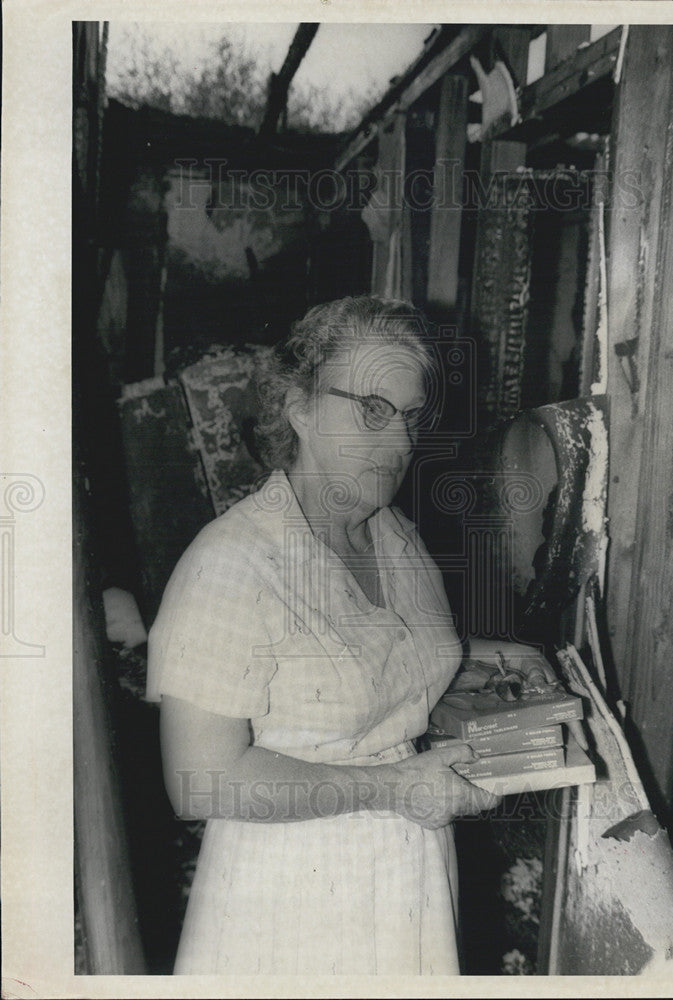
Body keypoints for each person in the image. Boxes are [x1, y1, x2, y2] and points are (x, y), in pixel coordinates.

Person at [146, 295, 557, 975]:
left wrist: (487, 657)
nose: (399, 443)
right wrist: (394, 787)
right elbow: (199, 779)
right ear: (299, 407)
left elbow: (370, 663)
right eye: (371, 410)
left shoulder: (394, 535)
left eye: (410, 416)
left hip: (409, 873)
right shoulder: (232, 563)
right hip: (290, 895)